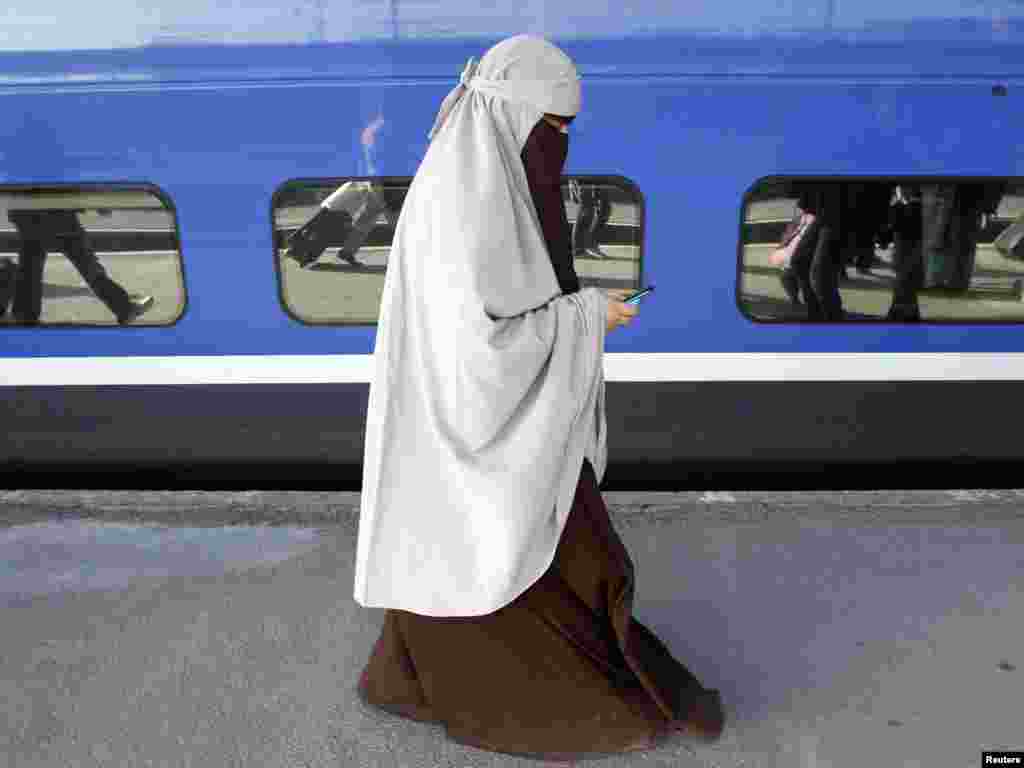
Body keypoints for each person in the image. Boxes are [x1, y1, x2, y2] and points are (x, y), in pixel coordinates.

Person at [354, 35, 724, 760]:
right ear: (515, 119)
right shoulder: (469, 202)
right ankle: (555, 704)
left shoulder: (481, 178)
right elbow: (479, 353)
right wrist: (590, 317)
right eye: (553, 128)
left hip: (466, 429)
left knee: (467, 553)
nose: (563, 143)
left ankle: (411, 677)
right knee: (555, 556)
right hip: (478, 426)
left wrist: (581, 310)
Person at [7, 209, 153, 325]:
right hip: (57, 214)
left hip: (26, 212)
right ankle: (123, 308)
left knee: (30, 262)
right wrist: (97, 203)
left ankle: (25, 316)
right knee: (85, 261)